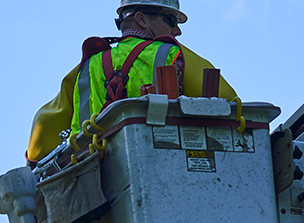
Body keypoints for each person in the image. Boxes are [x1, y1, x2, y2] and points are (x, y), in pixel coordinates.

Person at [25, 0, 238, 166]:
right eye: (170, 20)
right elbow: (228, 102)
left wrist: (33, 165)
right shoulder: (173, 54)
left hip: (93, 179)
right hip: (162, 165)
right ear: (142, 19)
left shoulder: (87, 67)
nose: (177, 31)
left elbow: (42, 129)